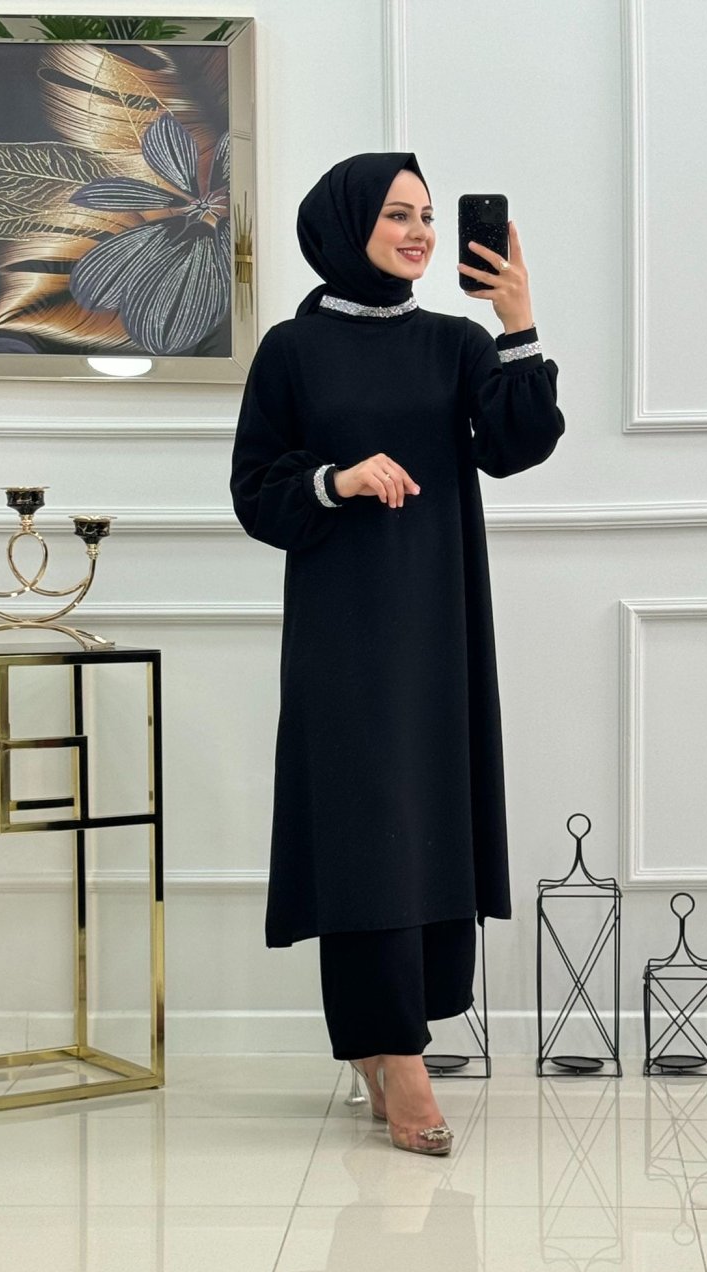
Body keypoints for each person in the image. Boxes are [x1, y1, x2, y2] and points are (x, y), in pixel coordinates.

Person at [230, 151, 565, 1156]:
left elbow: (516, 445)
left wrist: (517, 324)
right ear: (345, 226)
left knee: (426, 817)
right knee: (362, 823)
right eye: (396, 215)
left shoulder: (454, 343)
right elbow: (256, 491)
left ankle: (390, 1040)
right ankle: (398, 1053)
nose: (419, 233)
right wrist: (336, 479)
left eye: (426, 215)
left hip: (438, 621)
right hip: (342, 630)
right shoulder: (292, 350)